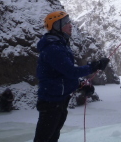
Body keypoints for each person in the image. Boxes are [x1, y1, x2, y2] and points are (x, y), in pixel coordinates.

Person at [33, 11, 110, 142]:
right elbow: (71, 71)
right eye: (66, 22)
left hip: (59, 102)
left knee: (52, 137)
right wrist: (94, 66)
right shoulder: (53, 48)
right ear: (57, 26)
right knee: (44, 139)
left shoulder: (60, 45)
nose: (70, 25)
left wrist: (79, 85)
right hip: (51, 103)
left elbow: (62, 76)